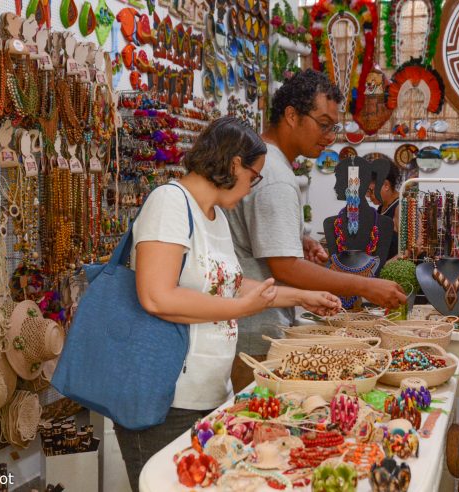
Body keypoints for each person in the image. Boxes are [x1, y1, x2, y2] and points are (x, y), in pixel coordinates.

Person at [114, 116, 341, 491]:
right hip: (163, 397)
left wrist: (302, 296)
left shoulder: (216, 214)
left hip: (207, 394)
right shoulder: (170, 203)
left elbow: (231, 286)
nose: (253, 186)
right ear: (235, 164)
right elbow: (156, 296)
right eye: (255, 176)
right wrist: (240, 310)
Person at [225, 70, 408, 390]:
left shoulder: (270, 165)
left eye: (333, 126)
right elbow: (286, 267)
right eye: (323, 124)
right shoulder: (276, 176)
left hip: (251, 325)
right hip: (254, 332)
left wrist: (299, 239)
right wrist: (367, 287)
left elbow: (266, 244)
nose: (329, 136)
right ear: (292, 116)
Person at [367, 162, 401, 256]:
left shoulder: (401, 208)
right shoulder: (382, 207)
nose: (369, 196)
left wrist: (383, 267)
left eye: (371, 191)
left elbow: (407, 251)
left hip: (392, 268)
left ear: (386, 185)